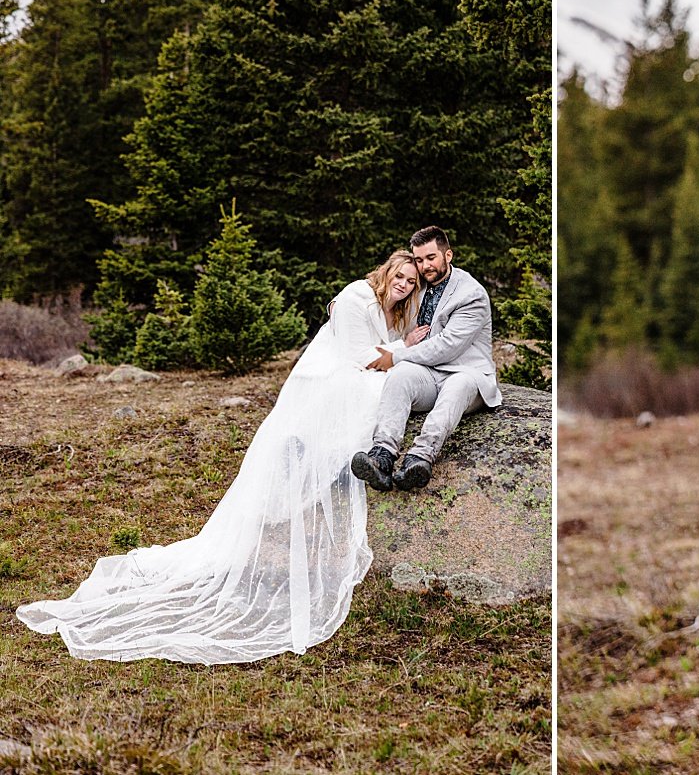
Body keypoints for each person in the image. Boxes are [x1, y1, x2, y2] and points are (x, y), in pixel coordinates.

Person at [17, 252, 425, 664]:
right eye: (400, 275)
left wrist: (400, 346)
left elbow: (385, 352)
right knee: (377, 393)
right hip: (328, 378)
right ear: (387, 272)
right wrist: (403, 350)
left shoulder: (398, 315)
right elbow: (362, 358)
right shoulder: (356, 296)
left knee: (385, 391)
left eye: (411, 280)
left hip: (352, 374)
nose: (404, 284)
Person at [350, 225, 501, 492]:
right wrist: (343, 302)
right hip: (429, 374)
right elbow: (381, 290)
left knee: (456, 385)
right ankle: (382, 455)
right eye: (419, 260)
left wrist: (397, 355)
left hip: (466, 374)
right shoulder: (417, 288)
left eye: (431, 257)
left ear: (448, 255)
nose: (424, 266)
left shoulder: (471, 294)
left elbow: (448, 347)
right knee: (400, 375)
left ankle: (419, 458)